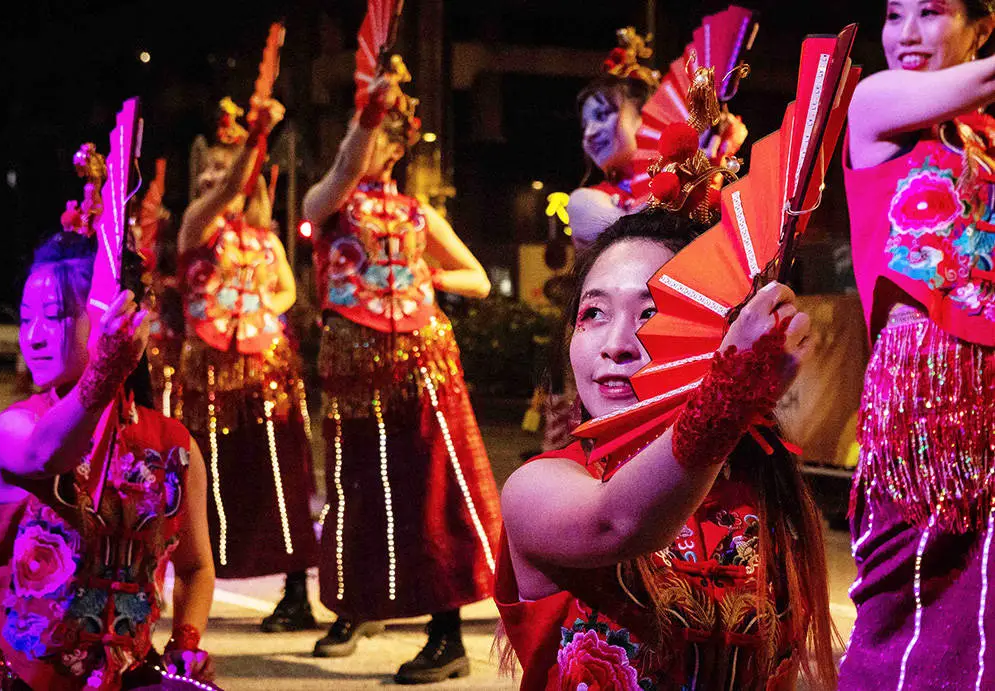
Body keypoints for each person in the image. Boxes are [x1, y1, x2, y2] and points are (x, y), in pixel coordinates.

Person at [496, 210, 837, 690]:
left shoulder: (767, 490)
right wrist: (729, 395)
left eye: (652, 314)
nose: (616, 344)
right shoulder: (537, 487)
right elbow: (617, 521)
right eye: (593, 313)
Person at [301, 65, 502, 683]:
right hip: (355, 369)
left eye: (389, 135)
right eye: (369, 135)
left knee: (431, 494)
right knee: (355, 489)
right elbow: (341, 169)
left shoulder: (417, 214)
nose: (378, 145)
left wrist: (428, 281)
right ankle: (359, 605)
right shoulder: (328, 201)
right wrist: (369, 111)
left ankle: (446, 635)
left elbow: (478, 278)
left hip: (422, 362)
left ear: (401, 146)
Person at [0, 227, 216, 689]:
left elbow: (196, 567)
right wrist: (103, 372)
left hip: (124, 675)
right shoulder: (14, 428)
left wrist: (186, 643)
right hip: (17, 679)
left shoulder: (172, 445)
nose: (34, 336)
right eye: (25, 319)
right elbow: (46, 455)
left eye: (55, 316)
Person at [840, 0, 995, 686]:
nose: (904, 32)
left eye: (930, 12)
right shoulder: (875, 103)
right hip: (918, 405)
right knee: (903, 601)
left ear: (979, 27)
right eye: (893, 13)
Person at [177, 97, 320, 631]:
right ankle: (198, 582)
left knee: (282, 480)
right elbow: (226, 192)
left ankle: (295, 593)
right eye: (210, 168)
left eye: (227, 167)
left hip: (267, 371)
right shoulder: (195, 226)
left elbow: (285, 290)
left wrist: (260, 310)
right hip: (208, 375)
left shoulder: (265, 239)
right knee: (208, 482)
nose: (219, 177)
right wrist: (254, 144)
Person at [568, 28, 748, 249]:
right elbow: (637, 236)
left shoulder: (702, 181)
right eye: (585, 125)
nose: (589, 133)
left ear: (644, 115)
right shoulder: (584, 202)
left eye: (602, 115)